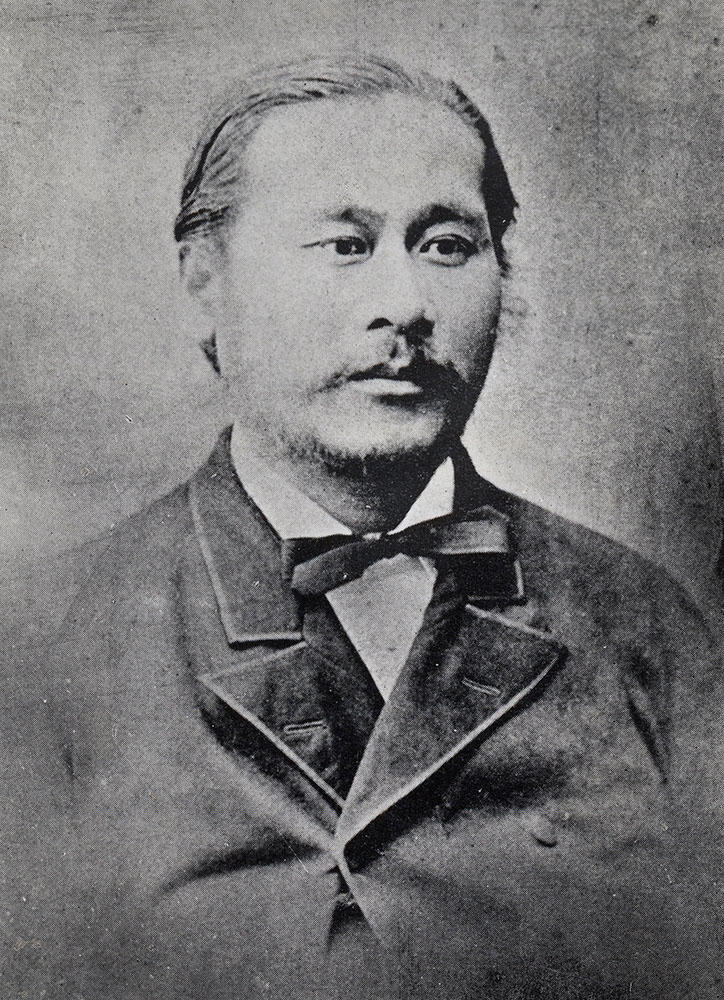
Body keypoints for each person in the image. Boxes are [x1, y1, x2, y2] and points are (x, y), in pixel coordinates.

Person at [2, 54, 722, 1000]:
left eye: (448, 245)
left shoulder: (645, 626)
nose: (407, 306)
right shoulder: (37, 648)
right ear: (203, 281)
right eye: (346, 246)